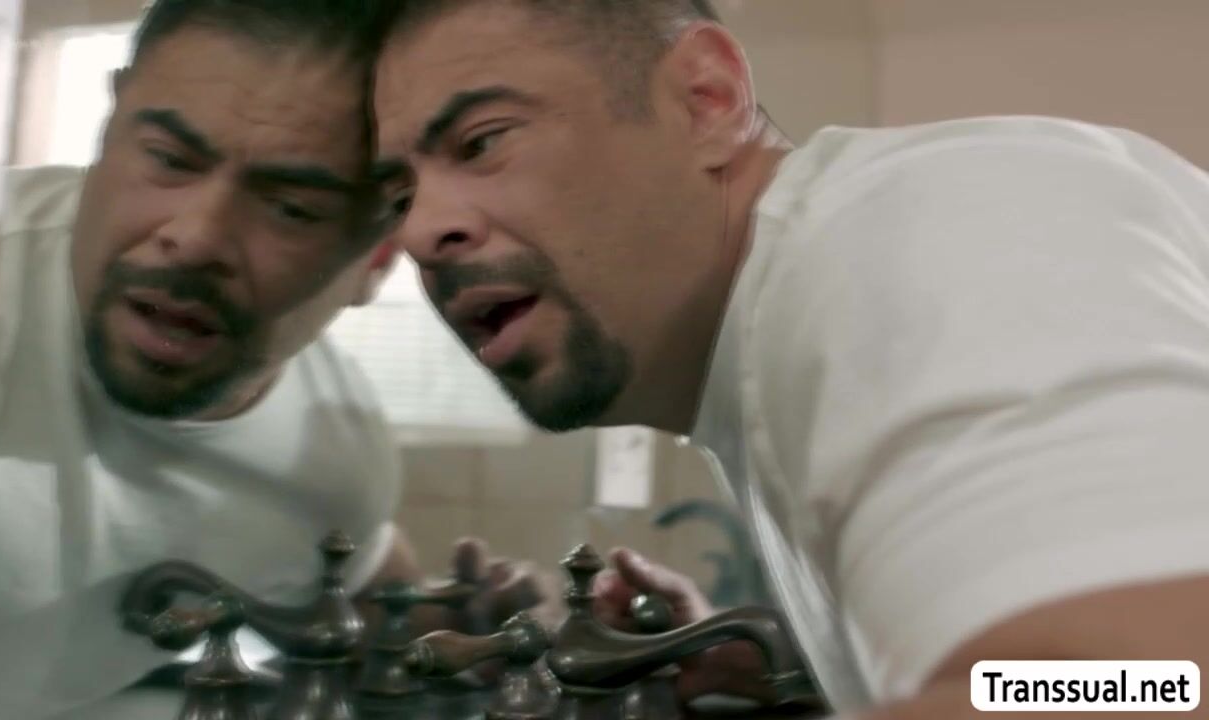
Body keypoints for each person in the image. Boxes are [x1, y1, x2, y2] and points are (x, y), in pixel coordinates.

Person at [363, 0, 1209, 717]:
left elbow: (1147, 683)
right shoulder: (776, 335)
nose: (421, 232)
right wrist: (798, 669)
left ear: (705, 99)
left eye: (483, 141)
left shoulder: (921, 232)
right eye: (401, 195)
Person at [0, 2, 546, 718]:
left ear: (378, 258)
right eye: (169, 159)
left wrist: (459, 630)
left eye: (291, 208)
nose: (196, 238)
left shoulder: (331, 457)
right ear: (109, 127)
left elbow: (365, 593)